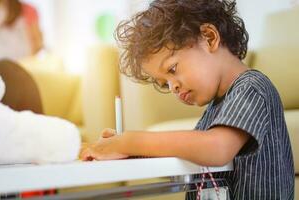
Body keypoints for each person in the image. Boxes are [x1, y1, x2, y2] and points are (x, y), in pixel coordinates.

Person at [80, 0, 295, 199]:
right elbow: (187, 158)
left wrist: (130, 141)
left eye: (172, 69)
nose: (173, 87)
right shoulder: (217, 108)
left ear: (209, 38)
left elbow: (217, 149)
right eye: (165, 83)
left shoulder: (252, 88)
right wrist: (128, 151)